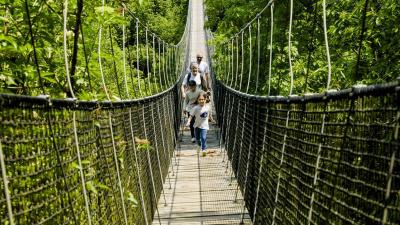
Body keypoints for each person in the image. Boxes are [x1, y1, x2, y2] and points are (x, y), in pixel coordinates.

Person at [186, 91, 214, 156]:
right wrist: (188, 121)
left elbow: (209, 114)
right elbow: (191, 116)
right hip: (197, 126)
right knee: (198, 139)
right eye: (200, 99)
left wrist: (212, 120)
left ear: (205, 99)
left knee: (203, 138)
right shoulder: (195, 108)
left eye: (203, 99)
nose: (201, 101)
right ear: (198, 100)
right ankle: (198, 145)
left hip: (204, 126)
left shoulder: (208, 107)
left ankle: (203, 149)